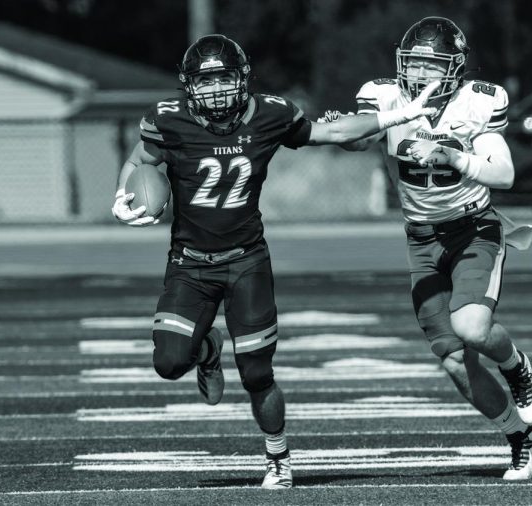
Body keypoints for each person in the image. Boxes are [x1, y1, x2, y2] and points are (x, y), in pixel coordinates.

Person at [111, 34, 438, 489]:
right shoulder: (167, 120)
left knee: (258, 373)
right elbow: (138, 160)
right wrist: (124, 193)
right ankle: (208, 349)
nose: (215, 90)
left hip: (246, 261)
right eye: (204, 82)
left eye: (224, 78)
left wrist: (395, 116)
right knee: (168, 362)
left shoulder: (270, 113)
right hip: (189, 262)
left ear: (243, 79)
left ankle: (278, 457)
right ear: (189, 87)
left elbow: (332, 132)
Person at [326, 16, 532, 480]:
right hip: (421, 239)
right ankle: (520, 438)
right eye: (414, 64)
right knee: (452, 358)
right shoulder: (386, 96)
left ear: (455, 68)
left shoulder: (477, 102)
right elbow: (357, 142)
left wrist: (452, 156)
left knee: (471, 327)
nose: (420, 74)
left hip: (473, 231)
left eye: (431, 64)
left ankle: (515, 365)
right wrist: (348, 130)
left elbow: (504, 174)